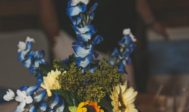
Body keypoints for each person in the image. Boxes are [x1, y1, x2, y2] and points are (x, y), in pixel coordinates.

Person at [37, 0, 168, 91]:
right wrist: (56, 41)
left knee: (125, 111)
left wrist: (151, 21)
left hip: (118, 46)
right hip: (76, 46)